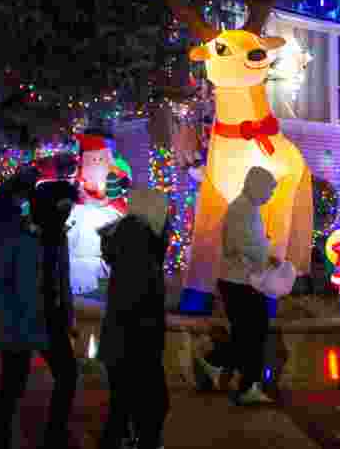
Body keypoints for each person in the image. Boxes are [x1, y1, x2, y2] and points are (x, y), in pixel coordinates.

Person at [0, 180, 79, 449]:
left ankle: (55, 434)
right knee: (13, 384)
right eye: (62, 208)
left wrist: (67, 314)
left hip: (52, 321)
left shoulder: (58, 236)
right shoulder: (16, 236)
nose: (66, 214)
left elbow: (63, 279)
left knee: (67, 375)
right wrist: (8, 323)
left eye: (68, 209)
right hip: (20, 323)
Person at [194, 166, 279, 405]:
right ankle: (227, 370)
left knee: (248, 333)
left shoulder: (248, 208)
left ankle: (223, 367)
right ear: (257, 185)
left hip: (242, 280)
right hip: (240, 282)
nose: (270, 196)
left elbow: (250, 243)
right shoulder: (242, 209)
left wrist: (264, 252)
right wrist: (266, 255)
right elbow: (244, 245)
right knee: (253, 332)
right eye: (269, 190)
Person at [98, 187, 173, 449]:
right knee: (148, 407)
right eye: (165, 213)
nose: (168, 220)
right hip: (134, 347)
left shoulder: (136, 241)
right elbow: (136, 302)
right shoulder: (138, 246)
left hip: (126, 345)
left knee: (123, 411)